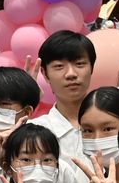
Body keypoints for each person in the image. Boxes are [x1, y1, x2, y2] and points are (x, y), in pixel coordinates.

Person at [37, 30, 97, 159]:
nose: (71, 74)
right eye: (59, 66)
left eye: (79, 64)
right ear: (45, 73)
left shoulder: (114, 123)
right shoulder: (35, 131)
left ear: (92, 68)